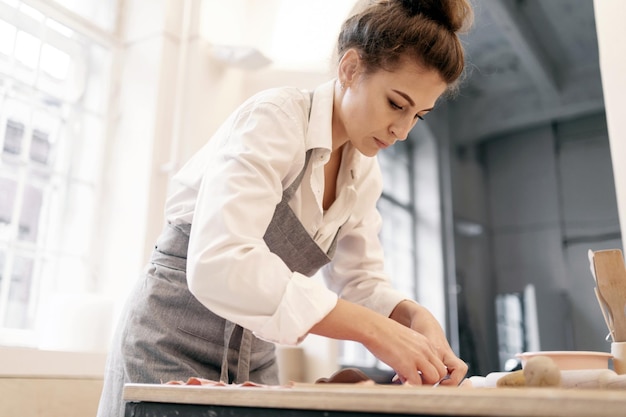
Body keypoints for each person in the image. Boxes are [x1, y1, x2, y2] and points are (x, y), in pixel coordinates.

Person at [97, 0, 473, 415]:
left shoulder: (364, 174)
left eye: (418, 116)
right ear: (350, 69)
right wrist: (373, 331)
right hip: (168, 339)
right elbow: (221, 263)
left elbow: (360, 281)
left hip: (254, 357)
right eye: (396, 104)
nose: (401, 130)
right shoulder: (275, 119)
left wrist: (412, 318)